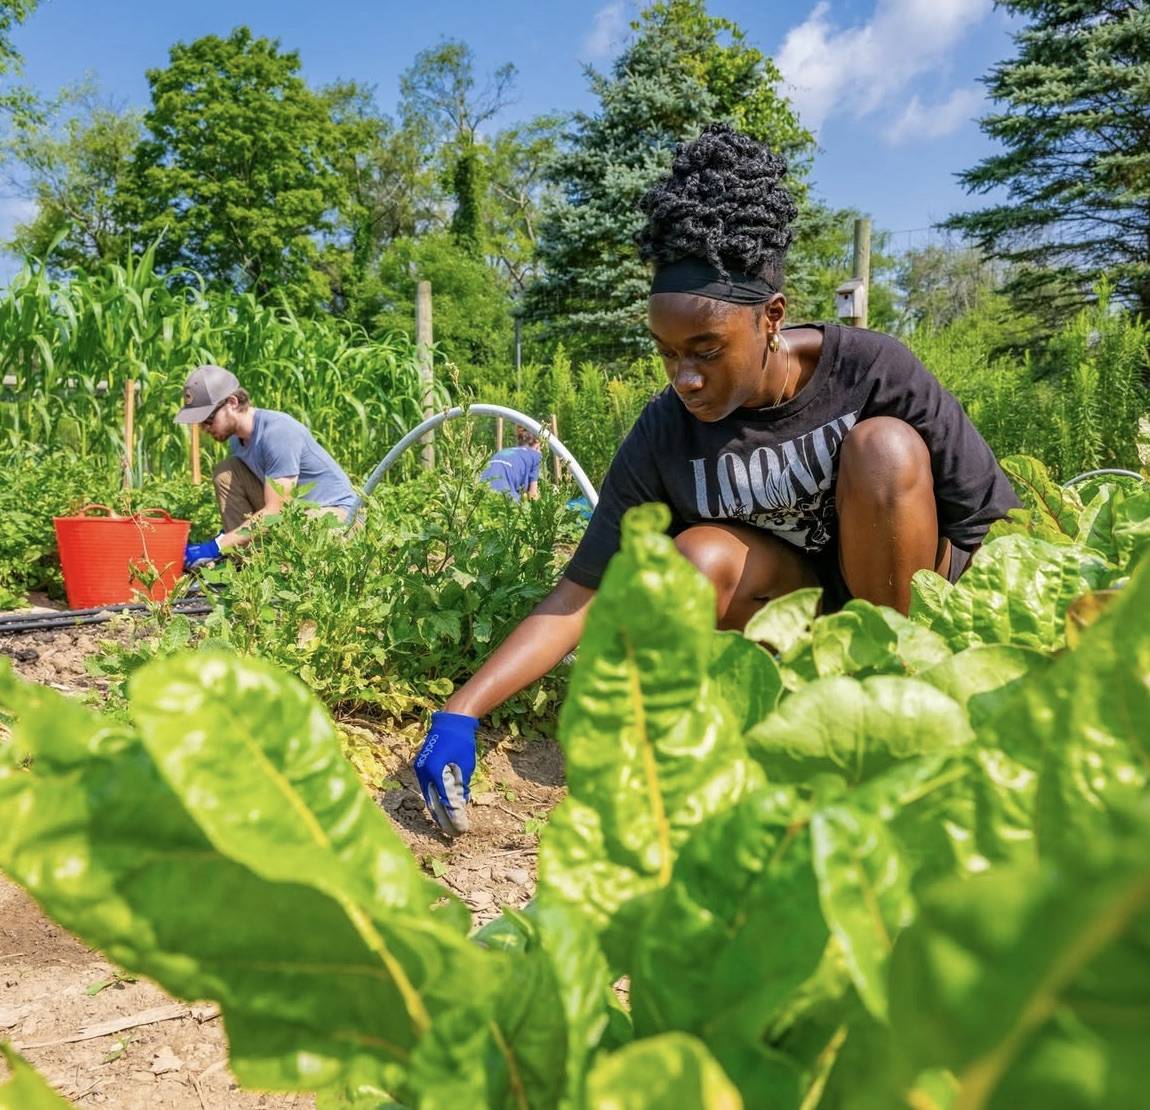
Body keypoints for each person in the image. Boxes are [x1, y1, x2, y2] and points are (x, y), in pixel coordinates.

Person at [413, 123, 1021, 836]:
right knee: (694, 557)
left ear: (771, 318)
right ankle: (787, 718)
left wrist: (999, 672)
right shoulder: (665, 431)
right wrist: (462, 710)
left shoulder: (872, 370)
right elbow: (581, 593)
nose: (685, 377)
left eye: (705, 350)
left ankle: (891, 709)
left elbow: (993, 532)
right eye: (667, 353)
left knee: (883, 448)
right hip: (801, 630)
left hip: (903, 616)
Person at [174, 364, 358, 568]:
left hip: (337, 514)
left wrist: (216, 546)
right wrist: (230, 537)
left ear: (232, 403)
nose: (204, 428)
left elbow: (276, 511)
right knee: (226, 472)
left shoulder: (277, 433)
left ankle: (267, 563)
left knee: (292, 546)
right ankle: (246, 563)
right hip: (296, 511)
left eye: (208, 419)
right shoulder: (237, 440)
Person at [479, 425, 542, 501]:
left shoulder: (503, 451)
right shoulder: (535, 455)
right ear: (537, 444)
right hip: (503, 493)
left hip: (481, 489)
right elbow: (533, 495)